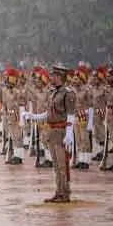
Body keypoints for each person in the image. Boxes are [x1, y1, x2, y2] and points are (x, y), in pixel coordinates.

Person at [24, 65, 76, 203]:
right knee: (55, 165)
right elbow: (49, 113)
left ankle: (65, 193)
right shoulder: (53, 92)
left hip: (61, 131)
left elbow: (71, 115)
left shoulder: (68, 93)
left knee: (61, 164)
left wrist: (69, 134)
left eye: (53, 76)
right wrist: (33, 116)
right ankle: (59, 192)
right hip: (52, 130)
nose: (50, 78)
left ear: (60, 77)